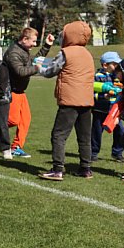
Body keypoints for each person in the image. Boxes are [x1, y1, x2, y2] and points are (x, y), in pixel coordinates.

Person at [36, 22, 95, 181]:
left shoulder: (66, 52)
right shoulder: (88, 54)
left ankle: (57, 169)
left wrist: (39, 68)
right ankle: (86, 168)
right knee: (84, 137)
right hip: (86, 101)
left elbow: (50, 71)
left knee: (59, 135)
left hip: (69, 100)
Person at [4, 27, 54, 158]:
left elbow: (35, 61)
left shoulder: (24, 50)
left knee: (25, 119)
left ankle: (16, 147)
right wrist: (36, 69)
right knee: (12, 121)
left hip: (20, 91)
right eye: (33, 41)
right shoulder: (13, 53)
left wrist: (47, 46)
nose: (35, 44)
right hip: (11, 91)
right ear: (24, 39)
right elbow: (20, 72)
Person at [91, 51, 124, 162]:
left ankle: (117, 152)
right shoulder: (97, 77)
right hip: (99, 109)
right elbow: (91, 92)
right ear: (105, 65)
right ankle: (93, 152)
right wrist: (103, 96)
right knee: (97, 131)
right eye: (114, 64)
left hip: (114, 111)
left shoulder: (117, 76)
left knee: (120, 130)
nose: (116, 66)